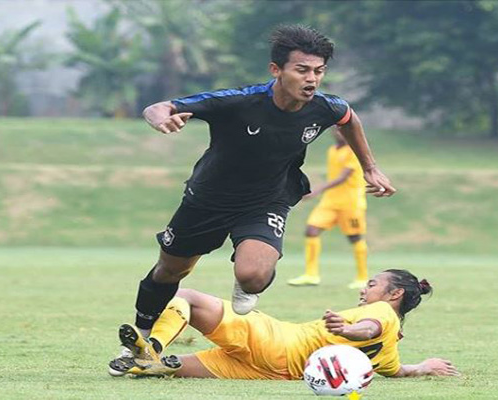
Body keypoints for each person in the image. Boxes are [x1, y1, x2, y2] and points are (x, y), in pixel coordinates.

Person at [130, 24, 396, 349]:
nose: (311, 79)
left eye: (319, 71)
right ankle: (141, 337)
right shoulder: (239, 102)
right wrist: (160, 118)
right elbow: (159, 107)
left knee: (252, 275)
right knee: (170, 271)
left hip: (267, 200)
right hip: (207, 200)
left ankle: (248, 284)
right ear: (276, 69)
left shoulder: (326, 107)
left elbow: (349, 118)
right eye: (302, 70)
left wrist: (370, 168)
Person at [109, 269, 459, 380]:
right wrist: (423, 367)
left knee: (186, 294)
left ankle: (153, 346)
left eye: (373, 283)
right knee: (163, 373)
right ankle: (148, 361)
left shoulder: (383, 312)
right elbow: (393, 370)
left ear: (394, 293)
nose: (366, 288)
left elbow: (367, 329)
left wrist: (345, 329)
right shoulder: (391, 344)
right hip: (276, 372)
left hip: (277, 341)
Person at [288, 128, 369, 289]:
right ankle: (311, 275)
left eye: (343, 130)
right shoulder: (332, 150)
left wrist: (315, 190)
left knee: (355, 238)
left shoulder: (353, 150)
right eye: (336, 130)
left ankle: (362, 277)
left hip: (350, 203)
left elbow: (342, 177)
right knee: (311, 230)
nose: (339, 133)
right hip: (330, 202)